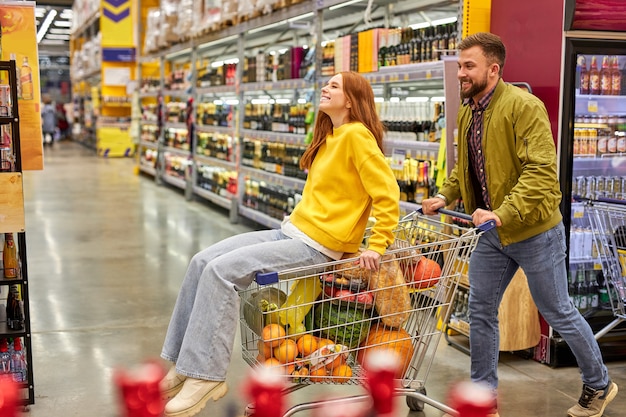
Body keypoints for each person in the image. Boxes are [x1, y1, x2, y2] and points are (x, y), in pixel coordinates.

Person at [159, 71, 400, 417]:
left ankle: (205, 375)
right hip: (292, 231)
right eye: (326, 83)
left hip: (317, 246)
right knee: (201, 260)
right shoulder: (332, 136)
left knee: (222, 272)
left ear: (351, 99)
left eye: (334, 85)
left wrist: (377, 245)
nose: (325, 88)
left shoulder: (358, 137)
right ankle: (184, 362)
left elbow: (387, 193)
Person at [421, 32, 618, 417]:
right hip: (493, 233)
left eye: (468, 66)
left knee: (557, 309)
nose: (460, 73)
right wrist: (445, 195)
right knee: (480, 309)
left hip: (534, 230)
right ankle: (483, 400)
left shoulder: (524, 107)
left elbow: (541, 172)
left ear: (493, 70)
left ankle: (598, 384)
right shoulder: (468, 110)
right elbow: (467, 171)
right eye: (460, 65)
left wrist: (501, 212)